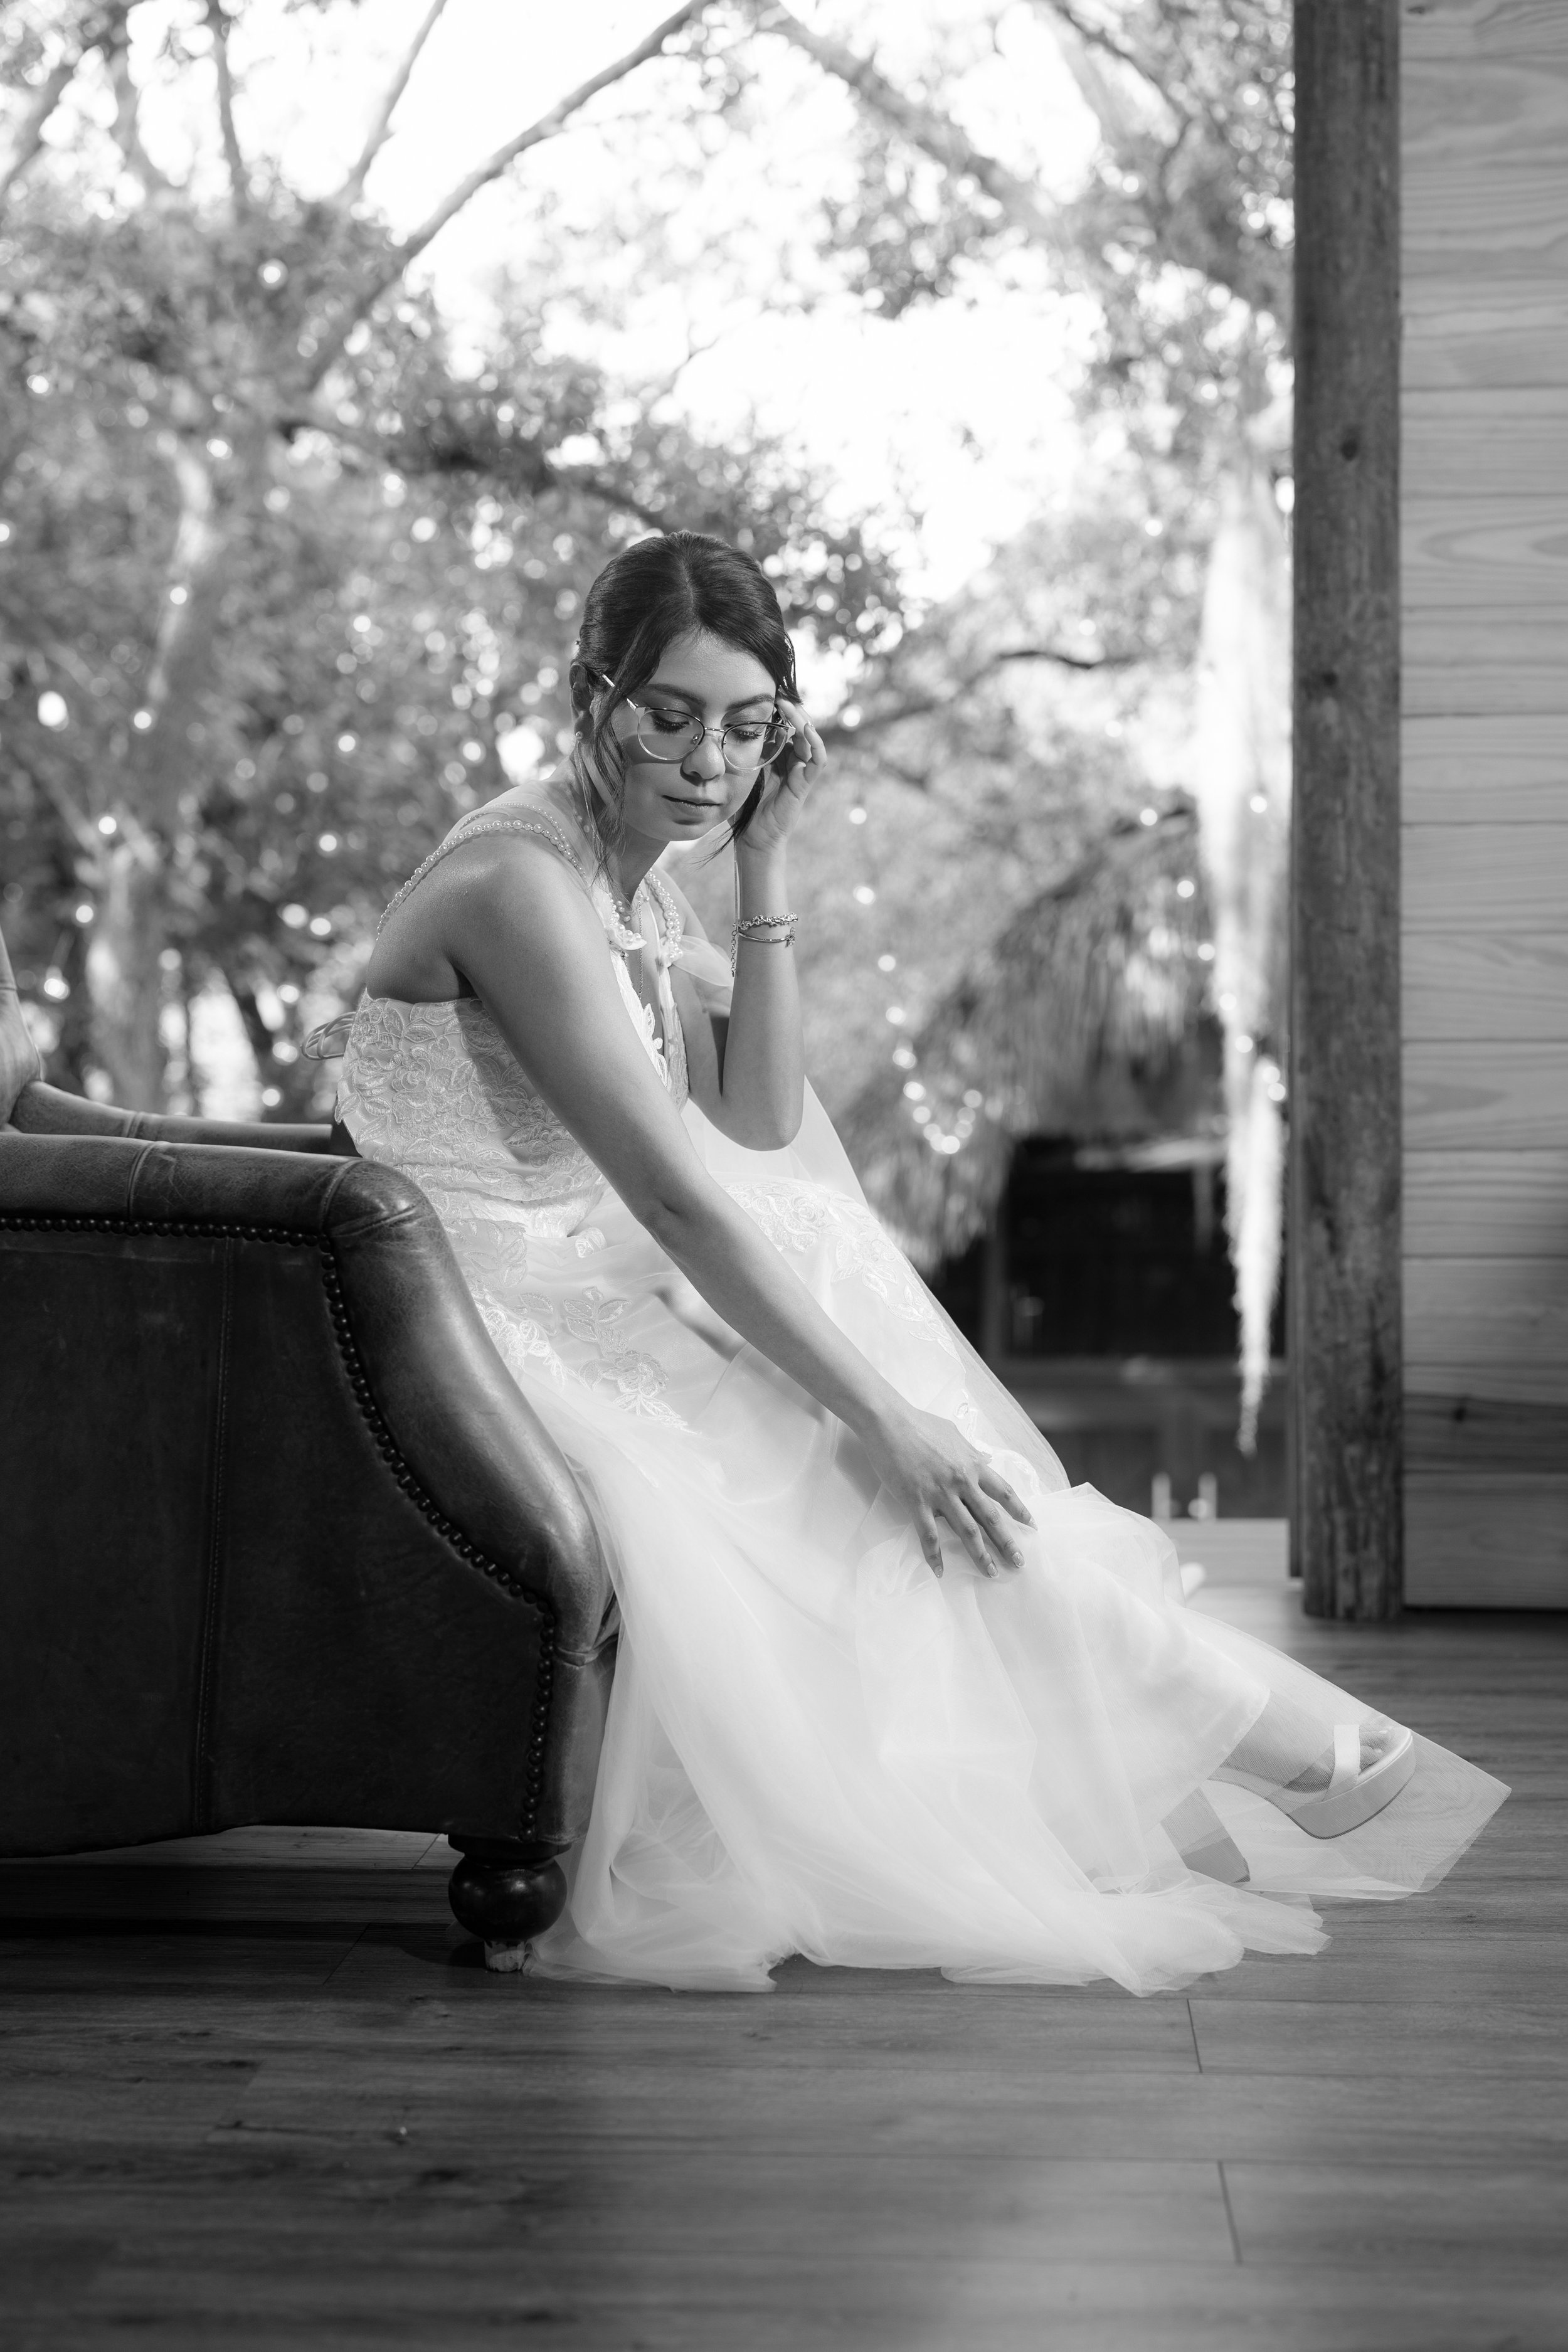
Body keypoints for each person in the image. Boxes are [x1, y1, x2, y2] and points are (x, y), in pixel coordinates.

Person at [327, 530, 1505, 1992]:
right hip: (467, 1317)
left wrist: (764, 859)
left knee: (851, 1367)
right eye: (668, 716)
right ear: (592, 694)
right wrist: (882, 1422)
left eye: (746, 728)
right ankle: (1221, 1729)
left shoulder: (633, 873)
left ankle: (1205, 1723)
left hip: (580, 1280)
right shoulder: (519, 882)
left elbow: (753, 1116)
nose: (704, 761)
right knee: (850, 1438)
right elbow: (687, 1200)